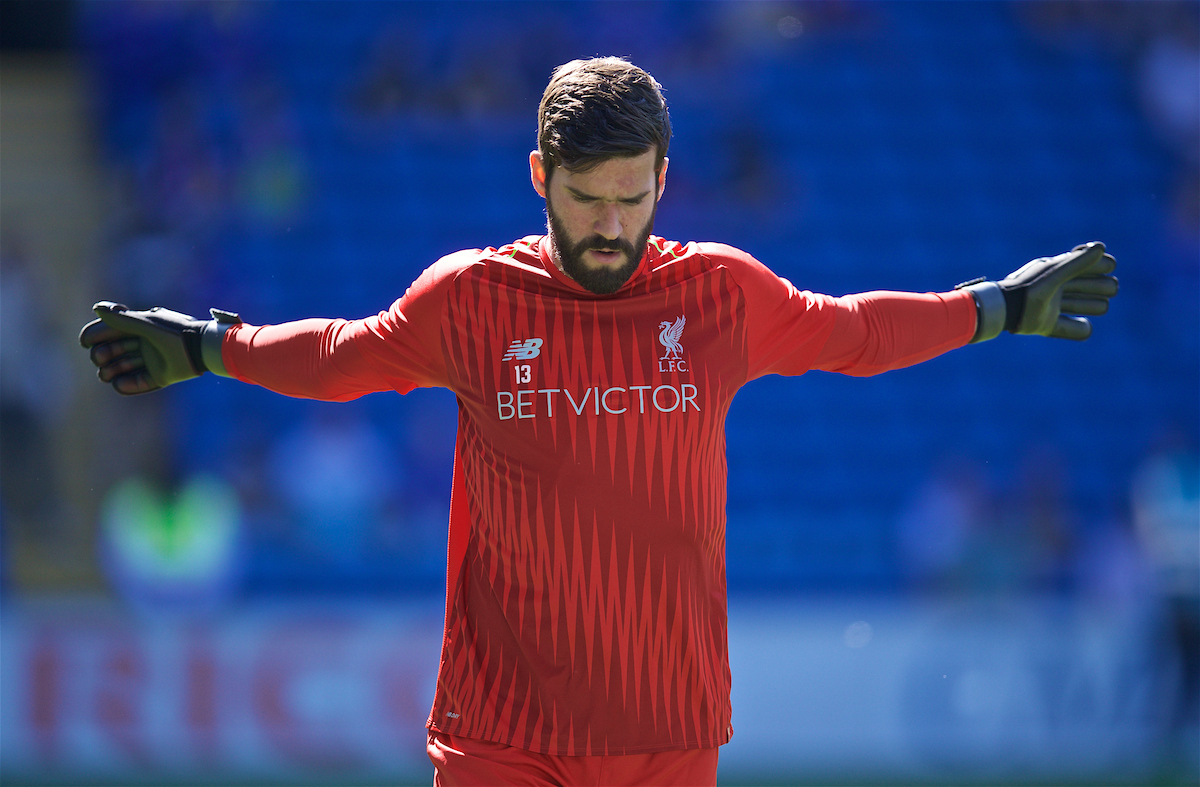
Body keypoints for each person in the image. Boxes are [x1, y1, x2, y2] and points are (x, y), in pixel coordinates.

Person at [81, 57, 1118, 787]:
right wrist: (212, 345)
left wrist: (1001, 306)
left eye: (632, 196)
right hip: (499, 729)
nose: (612, 225)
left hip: (664, 730)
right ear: (541, 177)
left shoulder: (719, 294)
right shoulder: (471, 298)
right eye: (586, 198)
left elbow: (852, 332)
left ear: (665, 178)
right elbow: (345, 357)